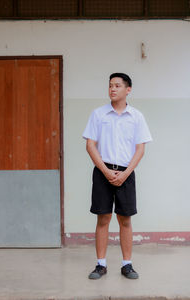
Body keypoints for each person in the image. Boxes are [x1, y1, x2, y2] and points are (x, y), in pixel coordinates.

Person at [83, 73, 152, 280]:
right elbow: (90, 145)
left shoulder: (137, 116)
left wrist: (125, 174)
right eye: (110, 85)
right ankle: (101, 264)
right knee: (103, 217)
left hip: (126, 173)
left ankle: (127, 264)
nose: (112, 89)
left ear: (128, 89)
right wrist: (105, 170)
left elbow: (140, 149)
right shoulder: (98, 114)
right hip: (102, 171)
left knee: (125, 219)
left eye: (117, 86)